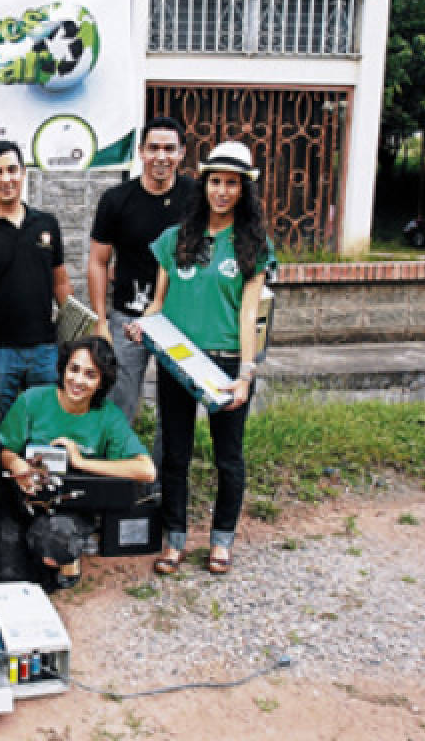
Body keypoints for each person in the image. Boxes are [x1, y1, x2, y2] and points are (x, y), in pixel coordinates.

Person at [124, 140, 275, 577]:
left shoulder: (254, 244)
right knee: (175, 453)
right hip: (179, 362)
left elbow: (250, 313)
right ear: (204, 183)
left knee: (228, 456)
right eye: (216, 182)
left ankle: (222, 540)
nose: (222, 191)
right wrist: (143, 326)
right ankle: (174, 540)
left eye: (232, 184)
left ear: (245, 190)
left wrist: (246, 374)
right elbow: (158, 302)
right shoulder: (176, 239)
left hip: (227, 364)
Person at [0, 336, 155, 591]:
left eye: (90, 374)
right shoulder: (33, 400)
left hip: (73, 507)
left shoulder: (108, 417)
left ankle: (62, 557)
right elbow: (5, 450)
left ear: (102, 381)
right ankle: (42, 554)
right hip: (25, 498)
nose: (78, 381)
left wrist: (80, 461)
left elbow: (146, 470)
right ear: (63, 368)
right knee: (6, 577)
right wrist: (17, 465)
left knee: (53, 547)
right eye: (74, 369)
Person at [87, 117, 196, 459]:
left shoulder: (197, 198)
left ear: (181, 154)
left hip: (180, 321)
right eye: (154, 148)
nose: (161, 156)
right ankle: (116, 480)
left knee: (176, 411)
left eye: (169, 149)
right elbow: (97, 262)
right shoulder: (117, 199)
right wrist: (101, 321)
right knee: (120, 402)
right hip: (128, 319)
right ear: (141, 152)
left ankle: (164, 485)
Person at [0, 139, 72, 416]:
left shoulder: (46, 224)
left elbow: (60, 281)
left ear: (24, 172)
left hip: (45, 349)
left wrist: (74, 332)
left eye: (12, 170)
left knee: (46, 426)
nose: (6, 179)